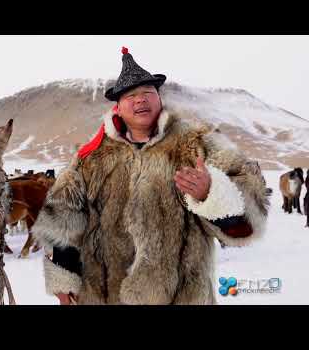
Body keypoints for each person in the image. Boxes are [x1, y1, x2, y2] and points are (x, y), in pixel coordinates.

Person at [32, 47, 270, 305]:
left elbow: (249, 200)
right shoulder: (92, 156)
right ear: (118, 108)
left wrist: (212, 194)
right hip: (104, 296)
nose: (140, 100)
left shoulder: (195, 143)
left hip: (181, 297)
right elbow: (64, 216)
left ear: (159, 99)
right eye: (130, 95)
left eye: (147, 92)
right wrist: (64, 279)